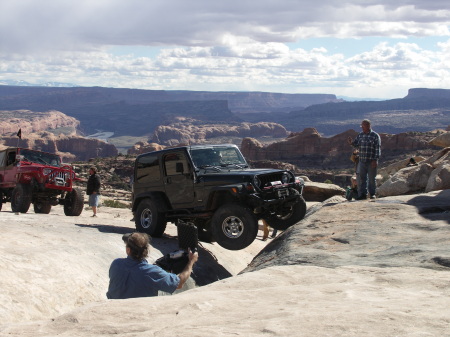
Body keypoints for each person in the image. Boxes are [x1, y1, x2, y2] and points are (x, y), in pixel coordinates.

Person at [106, 232, 198, 299]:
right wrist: (191, 261)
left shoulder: (116, 264)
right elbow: (179, 283)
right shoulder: (152, 272)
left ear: (128, 250)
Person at [347, 119, 381, 200]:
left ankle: (372, 194)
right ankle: (363, 195)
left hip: (371, 161)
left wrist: (375, 160)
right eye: (361, 126)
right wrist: (351, 143)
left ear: (368, 126)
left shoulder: (375, 135)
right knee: (362, 179)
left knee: (372, 179)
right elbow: (356, 144)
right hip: (362, 161)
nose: (361, 127)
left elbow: (377, 148)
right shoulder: (360, 135)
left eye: (363, 126)